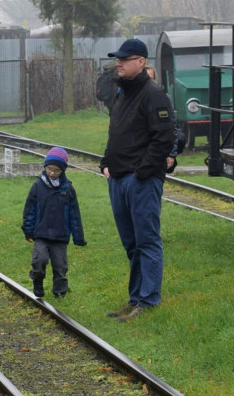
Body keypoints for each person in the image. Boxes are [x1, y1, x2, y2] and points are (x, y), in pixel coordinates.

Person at [99, 38, 175, 321]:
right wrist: (106, 163)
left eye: (124, 59)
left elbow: (164, 138)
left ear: (141, 62)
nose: (118, 63)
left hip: (141, 181)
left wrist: (141, 171)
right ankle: (135, 298)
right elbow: (116, 132)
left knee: (147, 241)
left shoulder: (154, 95)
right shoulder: (121, 93)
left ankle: (149, 300)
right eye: (118, 59)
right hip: (118, 179)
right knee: (131, 243)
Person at [23, 147, 86, 299]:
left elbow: (74, 215)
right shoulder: (37, 186)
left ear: (62, 171)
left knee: (60, 266)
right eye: (50, 169)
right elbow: (29, 210)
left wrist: (78, 237)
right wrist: (28, 230)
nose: (52, 173)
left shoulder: (68, 189)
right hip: (41, 233)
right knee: (40, 260)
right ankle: (37, 281)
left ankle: (60, 293)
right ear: (45, 167)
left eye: (56, 170)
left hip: (60, 236)